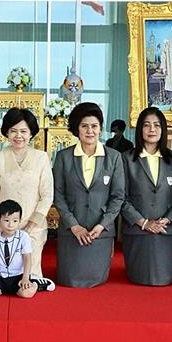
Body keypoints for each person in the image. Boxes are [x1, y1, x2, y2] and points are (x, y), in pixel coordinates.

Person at [52, 102, 125, 288]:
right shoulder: (63, 157)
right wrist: (74, 226)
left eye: (94, 126)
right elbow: (57, 194)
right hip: (71, 231)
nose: (90, 131)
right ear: (77, 129)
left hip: (99, 231)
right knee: (68, 282)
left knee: (98, 285)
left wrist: (102, 225)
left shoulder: (114, 157)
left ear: (100, 128)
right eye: (84, 126)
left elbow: (118, 196)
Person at [121, 107, 172, 286]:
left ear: (163, 129)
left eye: (157, 125)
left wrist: (167, 220)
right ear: (139, 130)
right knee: (138, 278)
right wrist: (143, 222)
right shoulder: (125, 159)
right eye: (147, 125)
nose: (152, 130)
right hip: (137, 231)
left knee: (164, 279)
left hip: (166, 230)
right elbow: (120, 197)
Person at [0, 108, 55, 285]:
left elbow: (47, 194)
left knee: (31, 279)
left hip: (33, 227)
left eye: (23, 131)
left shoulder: (41, 158)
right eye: (13, 131)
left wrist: (33, 223)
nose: (19, 136)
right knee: (3, 276)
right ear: (6, 133)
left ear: (31, 133)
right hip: (4, 227)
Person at [0, 200, 54, 297]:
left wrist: (25, 278)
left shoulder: (24, 237)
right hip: (0, 276)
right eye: (6, 220)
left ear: (19, 221)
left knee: (27, 293)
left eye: (15, 221)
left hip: (19, 276)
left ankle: (36, 282)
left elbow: (27, 258)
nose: (10, 225)